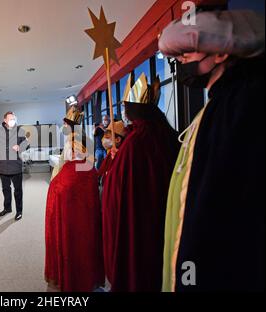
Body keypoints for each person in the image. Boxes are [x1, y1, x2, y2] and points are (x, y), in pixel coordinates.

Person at [159, 9, 265, 291]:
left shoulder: (243, 105)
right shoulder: (216, 105)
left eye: (187, 53)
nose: (180, 62)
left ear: (220, 53)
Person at [101, 73, 180, 292]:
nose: (125, 113)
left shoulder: (137, 141)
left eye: (126, 107)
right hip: (165, 214)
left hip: (141, 218)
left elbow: (120, 187)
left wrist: (115, 166)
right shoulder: (166, 133)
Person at [45, 137, 104, 292]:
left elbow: (56, 194)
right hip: (87, 223)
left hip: (68, 224)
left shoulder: (66, 174)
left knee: (71, 246)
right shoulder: (90, 169)